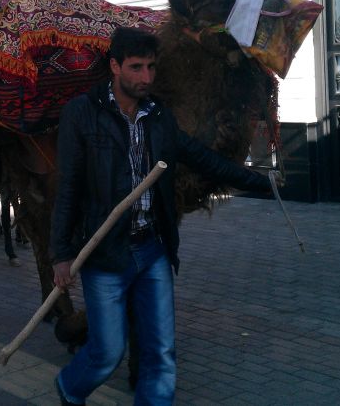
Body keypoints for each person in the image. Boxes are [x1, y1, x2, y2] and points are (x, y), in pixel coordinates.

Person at [50, 27, 274, 405]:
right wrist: (61, 254)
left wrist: (260, 182)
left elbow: (202, 158)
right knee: (106, 355)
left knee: (161, 355)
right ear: (115, 66)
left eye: (151, 67)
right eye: (136, 68)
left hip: (152, 251)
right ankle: (70, 388)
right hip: (105, 256)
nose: (146, 78)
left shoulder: (159, 117)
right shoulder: (82, 114)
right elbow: (68, 186)